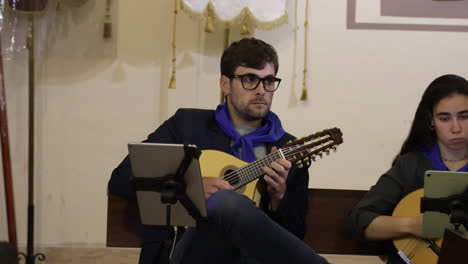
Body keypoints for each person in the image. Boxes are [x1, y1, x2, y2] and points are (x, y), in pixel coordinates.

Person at [108, 37, 328, 264]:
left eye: (269, 81)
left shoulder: (287, 150)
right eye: (250, 79)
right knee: (225, 201)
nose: (262, 90)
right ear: (225, 84)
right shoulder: (187, 126)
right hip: (188, 254)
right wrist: (190, 187)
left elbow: (294, 239)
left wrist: (278, 198)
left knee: (228, 205)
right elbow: (121, 178)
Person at [347, 74, 468, 264]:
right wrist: (412, 225)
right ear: (431, 121)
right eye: (444, 118)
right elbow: (360, 220)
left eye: (464, 116)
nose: (456, 127)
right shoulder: (409, 165)